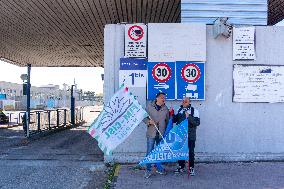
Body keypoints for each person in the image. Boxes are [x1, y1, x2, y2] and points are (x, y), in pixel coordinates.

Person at [143, 92, 169, 178]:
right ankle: (148, 170)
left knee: (159, 152)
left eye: (164, 98)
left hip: (161, 134)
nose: (163, 99)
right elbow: (143, 118)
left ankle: (159, 168)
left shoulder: (165, 109)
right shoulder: (149, 107)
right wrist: (149, 122)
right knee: (149, 152)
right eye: (162, 97)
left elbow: (168, 121)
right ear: (157, 98)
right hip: (151, 133)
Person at [172, 97, 200, 176]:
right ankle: (181, 166)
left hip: (190, 135)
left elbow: (197, 123)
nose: (184, 102)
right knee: (180, 151)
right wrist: (172, 114)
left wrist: (189, 117)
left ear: (189, 102)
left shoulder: (194, 111)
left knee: (191, 152)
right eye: (183, 101)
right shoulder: (179, 110)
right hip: (180, 135)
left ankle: (191, 167)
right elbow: (175, 120)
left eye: (186, 101)